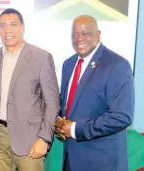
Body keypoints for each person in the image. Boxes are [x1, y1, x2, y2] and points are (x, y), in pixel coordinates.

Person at [0, 8, 61, 171]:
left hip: (30, 138)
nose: (8, 30)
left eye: (13, 24)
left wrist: (44, 139)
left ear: (22, 27)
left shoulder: (41, 57)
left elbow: (52, 102)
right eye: (2, 25)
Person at [54, 15, 134, 171]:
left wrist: (76, 129)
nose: (79, 38)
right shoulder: (68, 64)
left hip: (102, 163)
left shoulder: (117, 65)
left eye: (85, 33)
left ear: (98, 34)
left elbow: (122, 116)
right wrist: (58, 120)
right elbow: (66, 102)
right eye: (75, 34)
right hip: (71, 160)